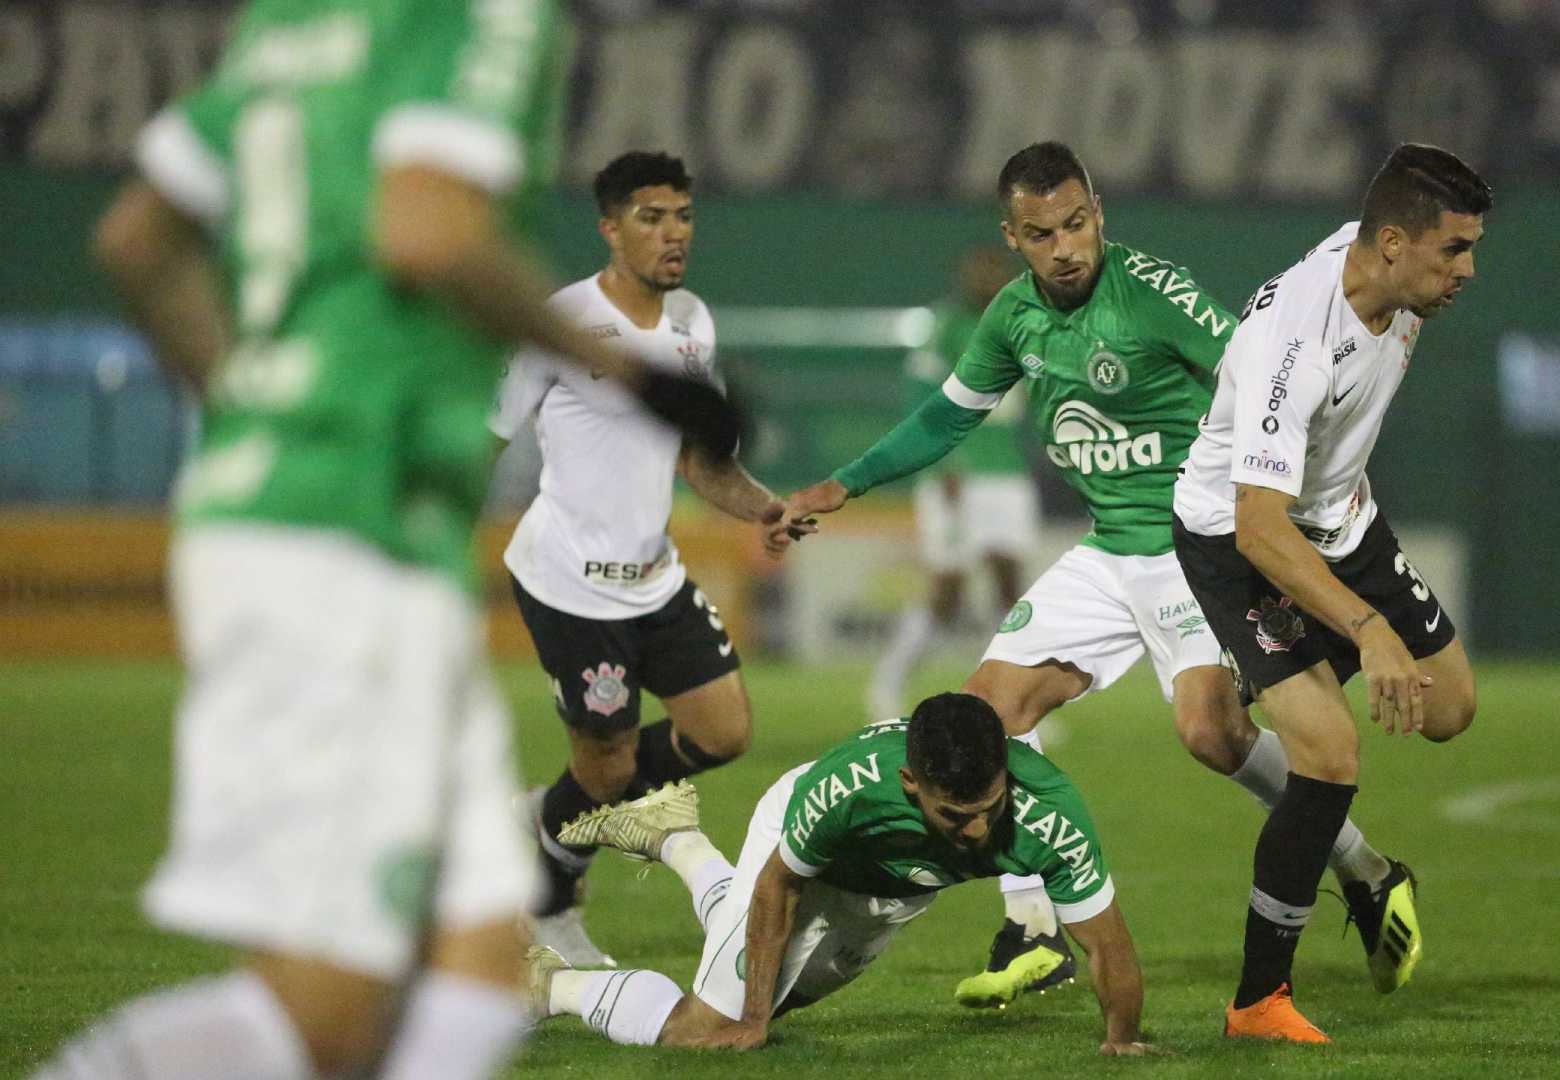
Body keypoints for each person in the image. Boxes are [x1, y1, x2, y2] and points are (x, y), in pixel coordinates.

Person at [34, 4, 737, 1078]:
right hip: (343, 529)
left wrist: (250, 410)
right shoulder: (481, 16)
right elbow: (429, 227)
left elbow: (136, 238)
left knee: (475, 954)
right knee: (327, 1013)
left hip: (313, 517)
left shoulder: (288, 23)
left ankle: (588, 960)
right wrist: (646, 384)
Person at [773, 142, 1416, 1010]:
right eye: (1042, 234)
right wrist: (842, 483)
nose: (1065, 247)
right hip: (1110, 550)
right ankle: (1033, 929)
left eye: (1077, 224)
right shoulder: (1010, 318)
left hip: (1196, 548)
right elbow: (943, 419)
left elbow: (1266, 379)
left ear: (1099, 212)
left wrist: (1301, 506)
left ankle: (1367, 871)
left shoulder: (1153, 294)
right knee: (985, 711)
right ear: (1014, 236)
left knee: (1211, 737)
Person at [1170, 143, 1491, 1042]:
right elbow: (1256, 527)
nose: (1467, 270)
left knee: (1451, 709)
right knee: (1330, 751)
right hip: (1242, 541)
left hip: (1346, 525)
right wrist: (1367, 630)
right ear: (1393, 242)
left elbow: (1401, 180)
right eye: (1453, 250)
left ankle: (1265, 686)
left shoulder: (1386, 269)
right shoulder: (1295, 350)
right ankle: (1258, 1002)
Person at [490, 150, 783, 969]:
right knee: (610, 765)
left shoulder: (693, 322)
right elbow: (486, 436)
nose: (673, 233)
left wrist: (766, 507)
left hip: (654, 579)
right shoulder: (560, 322)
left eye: (683, 215)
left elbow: (699, 461)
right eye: (651, 218)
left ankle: (551, 807)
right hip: (570, 585)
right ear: (609, 228)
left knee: (724, 732)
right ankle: (552, 909)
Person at [527, 692, 1158, 1055]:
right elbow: (779, 887)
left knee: (780, 996)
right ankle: (545, 984)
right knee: (710, 1026)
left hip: (896, 892)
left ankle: (677, 839)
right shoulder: (849, 789)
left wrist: (1121, 1038)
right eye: (954, 816)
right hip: (804, 857)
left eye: (989, 810)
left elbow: (1105, 943)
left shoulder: (1051, 814)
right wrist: (748, 1020)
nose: (976, 833)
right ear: (911, 784)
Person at [866, 245, 1038, 721]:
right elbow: (919, 397)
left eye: (995, 270)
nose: (987, 279)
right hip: (957, 475)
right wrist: (943, 462)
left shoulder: (1023, 324)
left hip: (1008, 473)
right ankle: (888, 682)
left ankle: (1008, 698)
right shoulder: (946, 326)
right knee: (949, 589)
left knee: (1010, 586)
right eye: (979, 269)